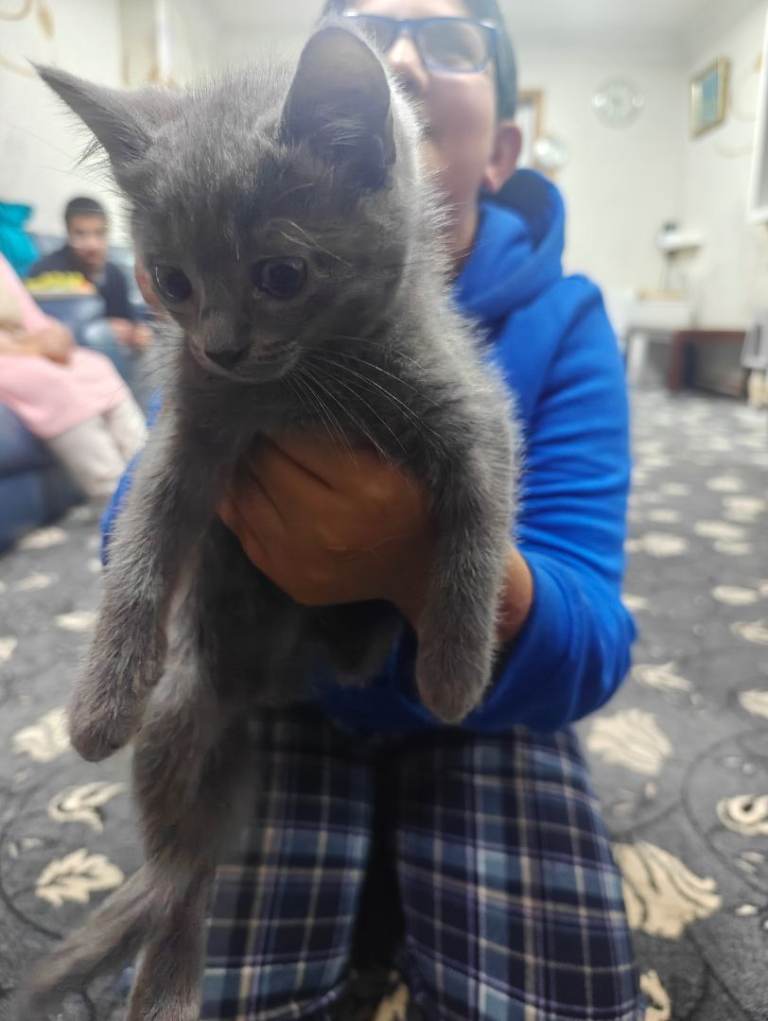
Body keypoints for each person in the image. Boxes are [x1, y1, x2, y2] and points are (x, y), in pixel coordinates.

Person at [107, 1, 640, 1017]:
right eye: (365, 22)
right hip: (283, 689)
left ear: (505, 150)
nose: (397, 52)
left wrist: (412, 566)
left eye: (449, 40)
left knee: (554, 989)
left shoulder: (568, 320)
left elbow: (596, 640)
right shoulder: (226, 296)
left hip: (491, 703)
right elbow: (136, 522)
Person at [0, 252, 146, 502]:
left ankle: (151, 474)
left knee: (96, 366)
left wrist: (54, 335)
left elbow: (32, 316)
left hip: (27, 346)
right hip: (8, 357)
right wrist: (30, 348)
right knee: (51, 381)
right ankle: (115, 495)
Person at [27, 196, 152, 353]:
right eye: (80, 234)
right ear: (68, 234)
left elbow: (128, 317)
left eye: (99, 233)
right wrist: (105, 326)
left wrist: (137, 331)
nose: (92, 244)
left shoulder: (114, 274)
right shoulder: (47, 271)